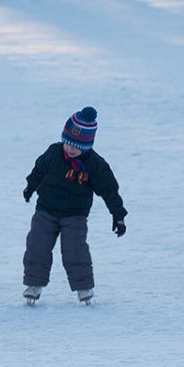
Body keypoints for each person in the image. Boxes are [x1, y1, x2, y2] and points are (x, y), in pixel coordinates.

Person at [22, 107, 127, 304]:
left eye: (76, 145)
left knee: (75, 249)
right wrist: (30, 187)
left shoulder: (95, 165)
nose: (70, 149)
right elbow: (38, 170)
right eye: (68, 143)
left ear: (87, 145)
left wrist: (118, 215)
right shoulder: (54, 152)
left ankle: (84, 287)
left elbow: (109, 190)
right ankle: (34, 285)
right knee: (37, 244)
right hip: (46, 209)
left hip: (75, 215)